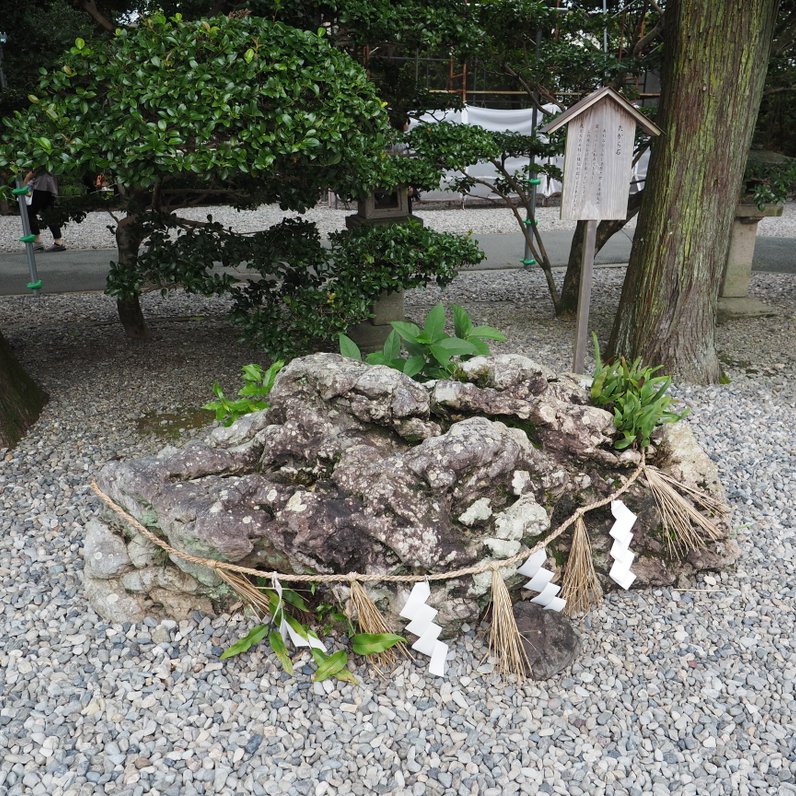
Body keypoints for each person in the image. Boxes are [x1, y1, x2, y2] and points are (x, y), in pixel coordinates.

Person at [23, 168, 66, 252]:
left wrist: (26, 180)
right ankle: (58, 241)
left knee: (29, 213)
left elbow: (37, 168)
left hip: (41, 185)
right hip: (49, 185)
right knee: (48, 213)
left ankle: (38, 241)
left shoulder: (43, 156)